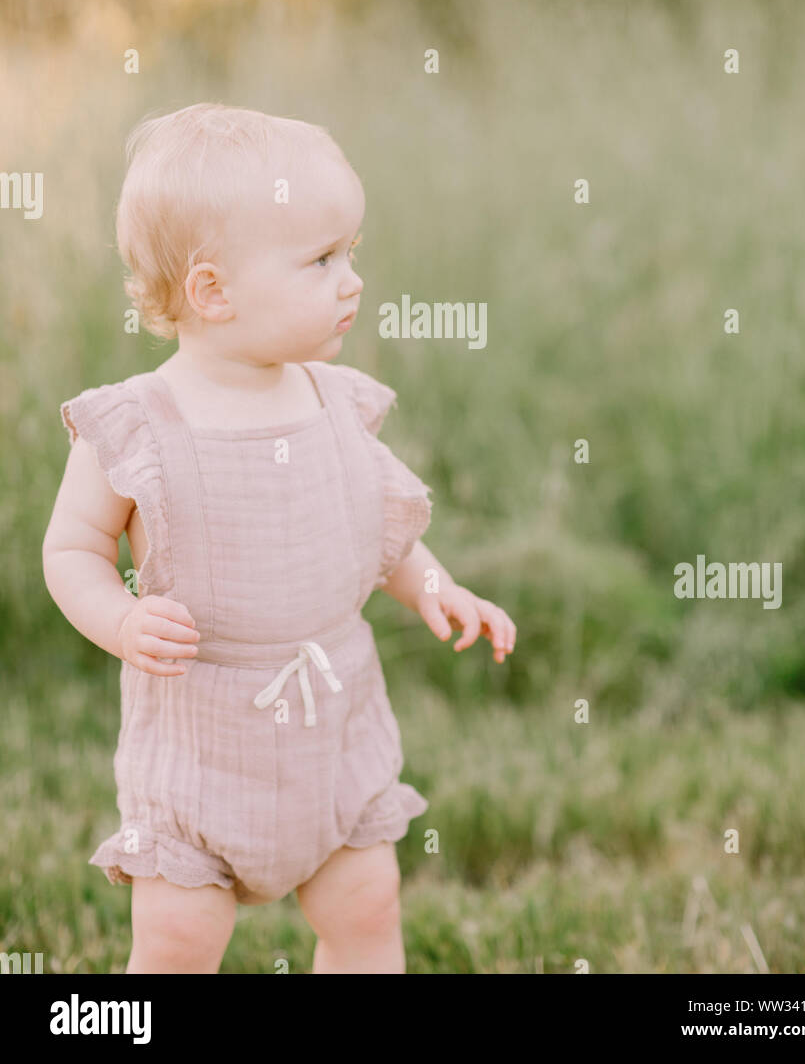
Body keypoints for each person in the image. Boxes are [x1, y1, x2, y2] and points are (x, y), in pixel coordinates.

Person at [42, 102, 517, 974]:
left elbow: (377, 533)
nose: (353, 281)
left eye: (352, 254)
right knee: (182, 941)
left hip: (331, 731)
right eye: (322, 260)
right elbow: (71, 550)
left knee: (366, 910)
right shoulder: (140, 424)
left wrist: (435, 585)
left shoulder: (336, 403)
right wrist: (117, 619)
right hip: (200, 744)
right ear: (213, 290)